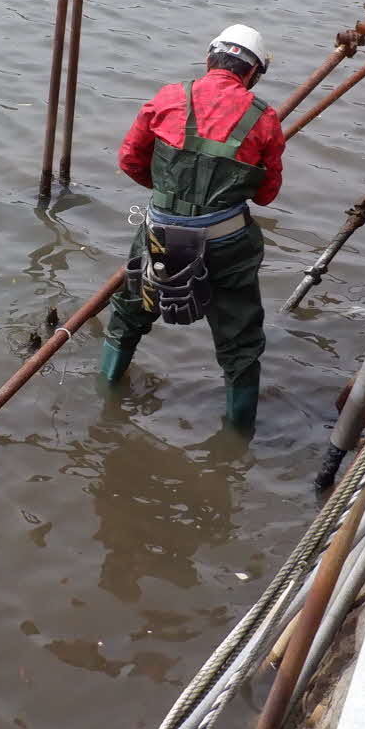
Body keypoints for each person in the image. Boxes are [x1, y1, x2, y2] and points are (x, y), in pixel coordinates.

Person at [101, 24, 286, 431]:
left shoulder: (168, 98)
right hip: (226, 244)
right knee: (240, 345)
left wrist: (171, 194)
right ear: (253, 74)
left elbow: (131, 159)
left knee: (129, 314)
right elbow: (267, 194)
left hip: (161, 236)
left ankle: (106, 401)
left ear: (208, 59)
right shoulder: (265, 118)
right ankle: (239, 441)